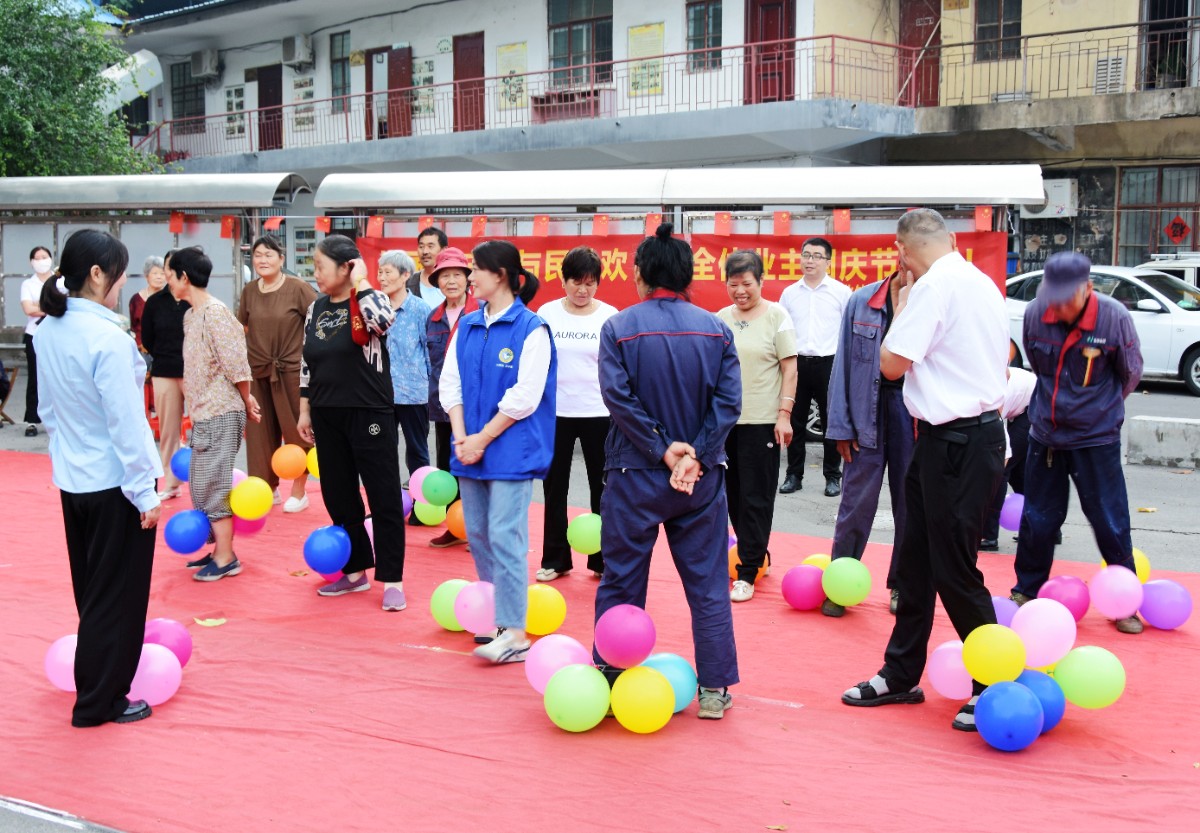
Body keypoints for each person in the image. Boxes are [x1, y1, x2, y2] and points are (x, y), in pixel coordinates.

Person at [841, 209, 1008, 735]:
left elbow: (891, 363)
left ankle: (993, 682)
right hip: (950, 440)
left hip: (958, 442)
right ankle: (900, 673)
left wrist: (906, 302)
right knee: (914, 560)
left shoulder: (932, 287)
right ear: (951, 239)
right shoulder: (980, 281)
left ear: (902, 252)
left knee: (954, 569)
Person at [597, 222, 742, 719]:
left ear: (641, 274)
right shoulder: (716, 329)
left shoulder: (618, 328)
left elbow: (618, 399)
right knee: (707, 586)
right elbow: (728, 403)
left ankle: (609, 675)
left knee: (621, 581)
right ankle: (714, 689)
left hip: (634, 473)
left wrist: (662, 450)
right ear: (687, 276)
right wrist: (695, 454)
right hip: (700, 479)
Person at [34, 229, 162, 727]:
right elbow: (127, 424)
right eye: (119, 272)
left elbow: (48, 410)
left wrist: (65, 459)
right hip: (115, 485)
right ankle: (101, 700)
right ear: (96, 274)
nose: (123, 281)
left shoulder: (49, 329)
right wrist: (144, 491)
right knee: (118, 595)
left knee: (92, 591)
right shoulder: (107, 339)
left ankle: (95, 689)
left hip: (75, 481)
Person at [1010, 252, 1145, 634]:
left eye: (1067, 298)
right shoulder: (1036, 313)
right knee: (1038, 518)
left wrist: (1097, 409)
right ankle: (1026, 590)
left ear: (1088, 288)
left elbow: (1130, 373)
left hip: (1096, 438)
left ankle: (1125, 603)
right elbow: (1037, 364)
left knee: (1109, 519)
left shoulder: (1114, 318)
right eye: (1053, 297)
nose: (1059, 306)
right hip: (1046, 434)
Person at [441, 239, 557, 663]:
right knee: (478, 533)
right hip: (469, 448)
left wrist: (481, 439)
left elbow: (525, 396)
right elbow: (450, 383)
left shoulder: (532, 328)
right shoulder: (469, 325)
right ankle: (496, 617)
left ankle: (516, 632)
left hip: (511, 451)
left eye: (475, 269)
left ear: (501, 275)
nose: (469, 276)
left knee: (506, 534)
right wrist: (461, 437)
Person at [298, 235, 408, 612]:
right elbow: (307, 362)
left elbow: (383, 321)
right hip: (326, 412)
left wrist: (361, 280)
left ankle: (392, 579)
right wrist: (305, 409)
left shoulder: (369, 299)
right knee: (339, 494)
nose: (316, 273)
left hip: (369, 410)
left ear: (346, 267)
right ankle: (355, 569)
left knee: (383, 495)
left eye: (321, 266)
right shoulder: (315, 308)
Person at [823, 268, 915, 618]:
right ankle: (839, 585)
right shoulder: (862, 300)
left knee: (911, 505)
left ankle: (903, 585)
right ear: (900, 250)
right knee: (855, 503)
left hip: (914, 414)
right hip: (865, 413)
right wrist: (841, 426)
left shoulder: (932, 300)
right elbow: (843, 364)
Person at [172, 247, 262, 581]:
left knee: (214, 485)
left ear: (184, 277)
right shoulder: (191, 315)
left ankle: (226, 557)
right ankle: (217, 551)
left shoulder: (216, 313)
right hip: (203, 413)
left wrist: (246, 399)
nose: (169, 282)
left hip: (221, 410)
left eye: (170, 275)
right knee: (201, 484)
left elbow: (236, 363)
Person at [715, 250, 797, 603]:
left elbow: (790, 369)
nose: (740, 291)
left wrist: (784, 415)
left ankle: (747, 572)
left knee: (756, 498)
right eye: (733, 284)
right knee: (732, 496)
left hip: (762, 422)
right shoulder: (720, 319)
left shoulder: (777, 316)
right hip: (726, 424)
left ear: (760, 281)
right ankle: (756, 552)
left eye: (746, 283)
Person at [535, 246, 617, 583]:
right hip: (556, 412)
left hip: (599, 412)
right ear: (563, 280)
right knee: (555, 488)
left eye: (590, 283)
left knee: (604, 488)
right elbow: (537, 360)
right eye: (576, 282)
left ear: (598, 282)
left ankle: (604, 560)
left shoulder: (610, 316)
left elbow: (617, 367)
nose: (583, 290)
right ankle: (555, 558)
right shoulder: (547, 313)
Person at [237, 235, 318, 513]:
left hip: (292, 370)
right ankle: (266, 487)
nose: (263, 260)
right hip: (257, 369)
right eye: (258, 255)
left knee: (297, 430)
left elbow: (319, 320)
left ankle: (299, 490)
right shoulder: (249, 291)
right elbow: (242, 327)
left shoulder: (298, 288)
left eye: (269, 254)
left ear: (281, 259)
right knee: (259, 433)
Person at [778, 237, 851, 497]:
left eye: (816, 256)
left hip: (829, 363)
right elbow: (782, 330)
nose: (810, 261)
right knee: (795, 421)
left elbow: (848, 330)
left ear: (828, 261)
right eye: (806, 255)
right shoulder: (790, 293)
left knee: (831, 422)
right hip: (797, 363)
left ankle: (832, 476)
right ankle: (793, 475)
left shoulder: (841, 292)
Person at [424, 246, 479, 547]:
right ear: (437, 282)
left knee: (474, 465)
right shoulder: (433, 318)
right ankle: (455, 528)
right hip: (441, 404)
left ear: (468, 278)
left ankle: (477, 531)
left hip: (474, 405)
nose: (451, 281)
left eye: (457, 274)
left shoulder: (480, 312)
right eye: (445, 276)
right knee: (447, 466)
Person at [378, 248, 433, 482]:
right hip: (381, 393)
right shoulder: (375, 308)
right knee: (382, 450)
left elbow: (429, 351)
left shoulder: (420, 309)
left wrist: (431, 388)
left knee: (417, 450)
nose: (382, 278)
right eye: (380, 272)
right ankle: (388, 498)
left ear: (405, 275)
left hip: (413, 392)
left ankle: (422, 498)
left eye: (388, 272)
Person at [141, 249, 190, 500]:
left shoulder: (195, 300)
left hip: (194, 371)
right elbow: (147, 338)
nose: (171, 273)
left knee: (204, 428)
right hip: (164, 371)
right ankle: (171, 483)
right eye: (169, 268)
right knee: (169, 430)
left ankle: (206, 481)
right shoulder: (155, 302)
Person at [980, 365, 1037, 550]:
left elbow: (1002, 454)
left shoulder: (990, 398)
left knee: (1001, 469)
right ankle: (1041, 528)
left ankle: (989, 536)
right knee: (1018, 474)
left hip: (1034, 405)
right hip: (1022, 404)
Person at [21, 245, 55, 437]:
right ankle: (32, 420)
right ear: (31, 262)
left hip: (56, 335)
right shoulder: (28, 284)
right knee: (35, 377)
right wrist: (51, 307)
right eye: (37, 258)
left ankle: (58, 418)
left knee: (57, 376)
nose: (41, 261)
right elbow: (28, 309)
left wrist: (39, 305)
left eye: (44, 257)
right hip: (34, 334)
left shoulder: (60, 281)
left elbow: (65, 304)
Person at [129, 256, 166, 350]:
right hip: (141, 349)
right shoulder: (136, 300)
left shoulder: (170, 298)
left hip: (164, 349)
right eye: (155, 273)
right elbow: (133, 327)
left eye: (162, 274)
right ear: (147, 276)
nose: (159, 277)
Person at [409, 227, 447, 308]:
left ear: (444, 250)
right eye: (421, 246)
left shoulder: (457, 283)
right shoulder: (408, 283)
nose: (425, 251)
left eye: (430, 246)